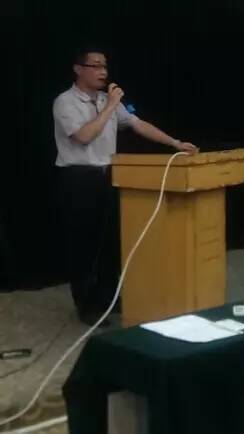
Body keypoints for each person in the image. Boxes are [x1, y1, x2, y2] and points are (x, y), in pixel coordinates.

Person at [54, 47, 198, 326]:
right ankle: (87, 304)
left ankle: (109, 296)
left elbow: (137, 123)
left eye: (105, 66)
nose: (103, 72)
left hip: (111, 174)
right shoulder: (65, 102)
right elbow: (83, 136)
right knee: (84, 242)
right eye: (96, 66)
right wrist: (110, 107)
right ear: (78, 69)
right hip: (79, 178)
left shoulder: (109, 100)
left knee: (111, 240)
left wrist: (175, 143)